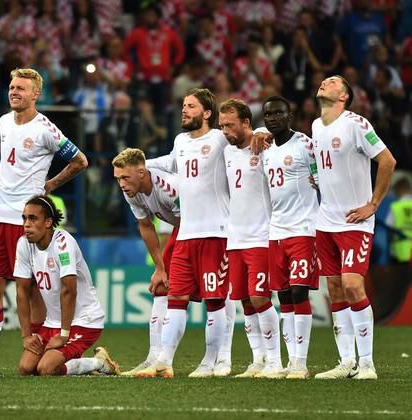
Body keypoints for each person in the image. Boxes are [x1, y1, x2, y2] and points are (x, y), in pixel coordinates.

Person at [0, 68, 88, 379]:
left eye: (21, 88)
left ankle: (42, 346)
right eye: (11, 87)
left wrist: (51, 184)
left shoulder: (46, 130)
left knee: (33, 291)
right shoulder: (2, 122)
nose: (14, 92)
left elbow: (80, 161)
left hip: (29, 224)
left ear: (36, 94)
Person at [137, 88, 230, 378]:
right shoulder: (180, 141)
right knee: (176, 297)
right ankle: (164, 360)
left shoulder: (219, 138)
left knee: (215, 300)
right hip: (186, 233)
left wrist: (264, 131)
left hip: (216, 232)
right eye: (183, 105)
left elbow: (246, 136)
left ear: (207, 113)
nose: (184, 110)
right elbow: (170, 161)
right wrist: (139, 165)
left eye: (190, 106)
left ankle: (212, 361)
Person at [312, 75, 396, 380]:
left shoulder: (356, 124)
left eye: (332, 81)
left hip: (355, 223)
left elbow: (387, 161)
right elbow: (316, 161)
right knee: (334, 289)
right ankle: (345, 362)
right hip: (325, 222)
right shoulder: (316, 126)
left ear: (344, 96)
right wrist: (316, 178)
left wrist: (372, 204)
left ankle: (368, 364)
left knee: (352, 285)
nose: (325, 82)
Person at [15, 196, 119, 377]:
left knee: (46, 369)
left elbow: (69, 290)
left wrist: (64, 334)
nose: (26, 224)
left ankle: (98, 363)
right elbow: (22, 291)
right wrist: (27, 335)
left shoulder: (63, 243)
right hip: (52, 322)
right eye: (24, 218)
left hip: (84, 321)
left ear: (48, 222)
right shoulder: (24, 244)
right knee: (26, 368)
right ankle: (71, 358)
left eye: (33, 218)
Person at [220, 98, 283, 379]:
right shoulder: (227, 153)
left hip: (261, 235)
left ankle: (275, 361)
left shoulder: (267, 146)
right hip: (235, 238)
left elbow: (282, 139)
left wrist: (264, 133)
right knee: (245, 300)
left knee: (260, 297)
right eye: (221, 126)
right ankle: (257, 360)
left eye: (230, 125)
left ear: (246, 123)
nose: (224, 131)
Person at [261, 96, 319, 379]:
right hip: (277, 231)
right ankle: (288, 362)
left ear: (289, 115)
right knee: (283, 294)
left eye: (277, 113)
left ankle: (301, 362)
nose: (272, 118)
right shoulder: (265, 149)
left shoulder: (305, 144)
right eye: (267, 114)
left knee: (299, 291)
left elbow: (322, 175)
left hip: (303, 228)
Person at [111, 148, 179, 376]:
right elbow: (146, 225)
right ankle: (154, 358)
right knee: (160, 285)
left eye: (125, 177)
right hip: (183, 228)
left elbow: (192, 220)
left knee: (214, 294)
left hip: (206, 229)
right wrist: (160, 268)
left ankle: (220, 359)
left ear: (142, 173)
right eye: (117, 178)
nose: (120, 184)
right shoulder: (132, 191)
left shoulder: (169, 187)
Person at [385, 178, 412, 263]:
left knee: (400, 275)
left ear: (398, 190)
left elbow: (388, 224)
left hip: (400, 248)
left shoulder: (395, 206)